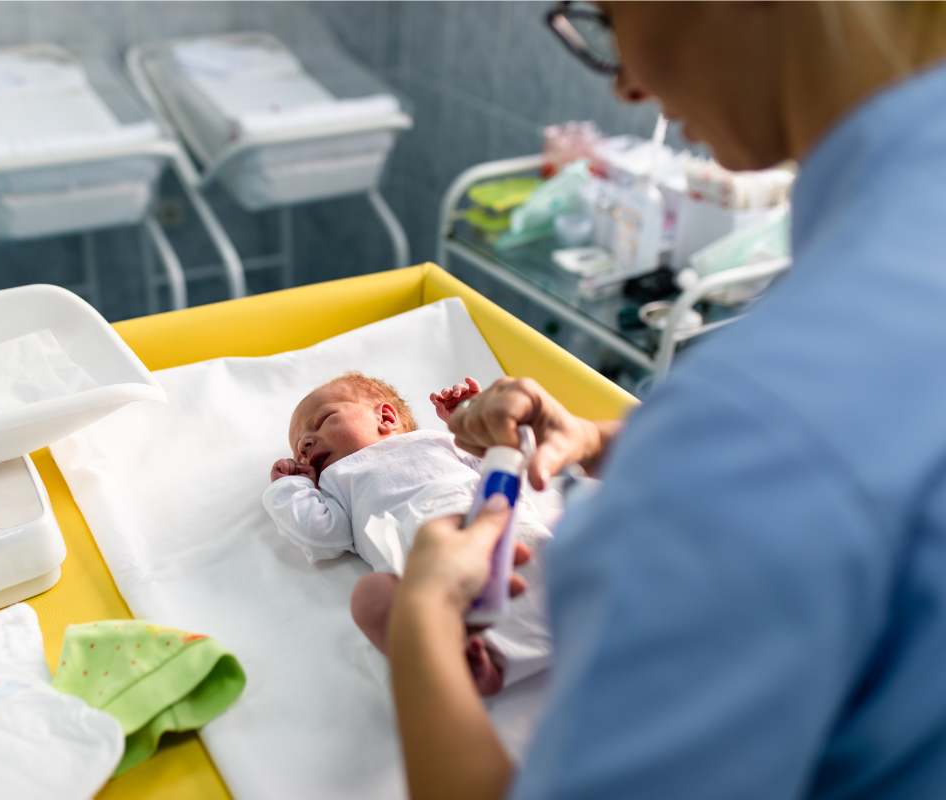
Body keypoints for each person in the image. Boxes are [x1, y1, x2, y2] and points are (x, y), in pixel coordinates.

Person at [386, 3, 946, 798]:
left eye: (608, 17)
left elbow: (783, 457)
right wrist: (608, 441)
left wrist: (420, 623)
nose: (626, 86)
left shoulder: (749, 429)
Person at [262, 372, 555, 695]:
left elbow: (505, 458)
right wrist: (292, 487)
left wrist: (470, 419)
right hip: (428, 574)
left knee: (560, 552)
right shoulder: (335, 482)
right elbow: (318, 533)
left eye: (323, 420)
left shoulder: (439, 441)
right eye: (299, 449)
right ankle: (455, 661)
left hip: (501, 530)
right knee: (370, 598)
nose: (304, 443)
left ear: (385, 417)